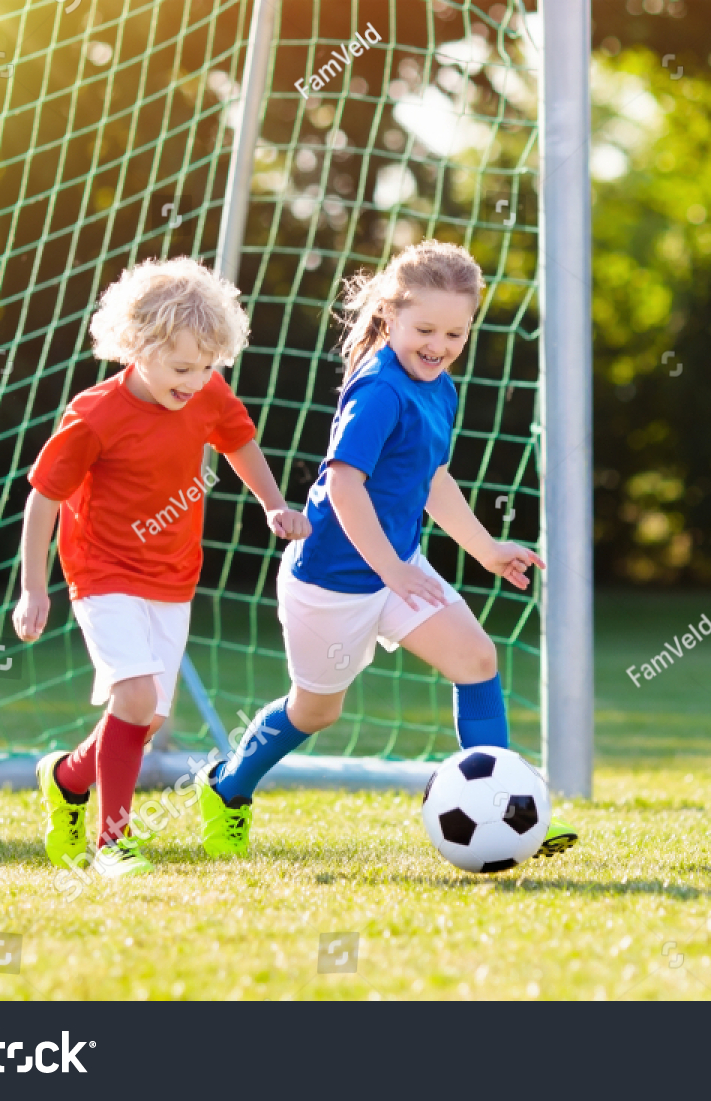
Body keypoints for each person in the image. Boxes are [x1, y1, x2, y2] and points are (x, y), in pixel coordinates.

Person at [194, 239, 578, 860]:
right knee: (315, 712)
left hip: (397, 569)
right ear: (391, 315)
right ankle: (228, 789)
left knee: (477, 659)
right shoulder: (378, 388)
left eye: (455, 332)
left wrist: (484, 549)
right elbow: (344, 486)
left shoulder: (439, 386)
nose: (439, 344)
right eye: (424, 328)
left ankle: (509, 814)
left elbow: (434, 479)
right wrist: (392, 570)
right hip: (333, 583)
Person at [13, 256, 309, 878]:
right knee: (136, 695)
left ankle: (67, 779)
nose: (197, 379)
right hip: (101, 572)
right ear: (137, 347)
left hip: (173, 576)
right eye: (182, 367)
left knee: (144, 718)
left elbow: (238, 442)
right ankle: (113, 843)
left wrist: (275, 504)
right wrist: (33, 589)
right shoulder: (94, 415)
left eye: (208, 366)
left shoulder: (207, 391)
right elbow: (44, 497)